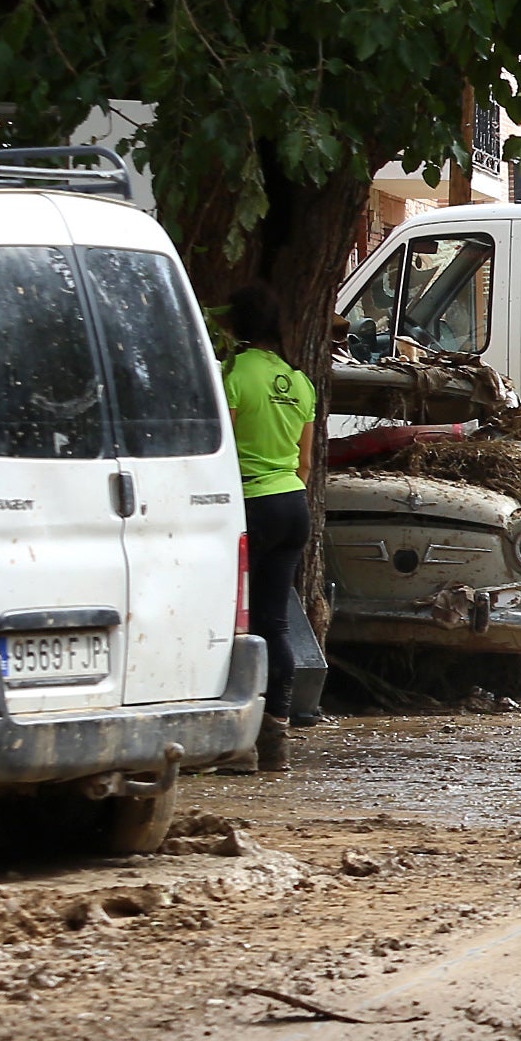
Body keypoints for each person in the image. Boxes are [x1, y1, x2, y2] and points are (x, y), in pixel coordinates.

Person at [223, 286, 321, 774]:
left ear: (235, 327)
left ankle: (236, 745)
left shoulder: (233, 377)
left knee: (235, 624)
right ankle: (275, 739)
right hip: (293, 506)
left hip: (249, 506)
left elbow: (220, 449)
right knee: (275, 623)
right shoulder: (300, 381)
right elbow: (305, 461)